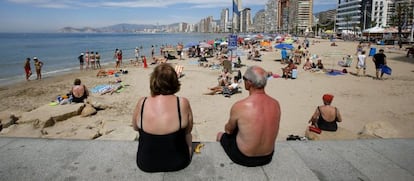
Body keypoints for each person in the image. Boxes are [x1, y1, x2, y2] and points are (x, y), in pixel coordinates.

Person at [132, 63, 193, 172]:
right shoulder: (182, 103)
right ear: (175, 81)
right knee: (188, 135)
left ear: (153, 81)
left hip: (145, 163)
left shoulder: (142, 102)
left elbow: (135, 128)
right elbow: (188, 130)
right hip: (179, 163)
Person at [216, 65, 281, 167]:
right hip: (268, 156)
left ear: (249, 83)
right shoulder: (276, 104)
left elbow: (228, 131)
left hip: (244, 157)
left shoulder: (240, 106)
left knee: (221, 135)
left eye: (244, 79)